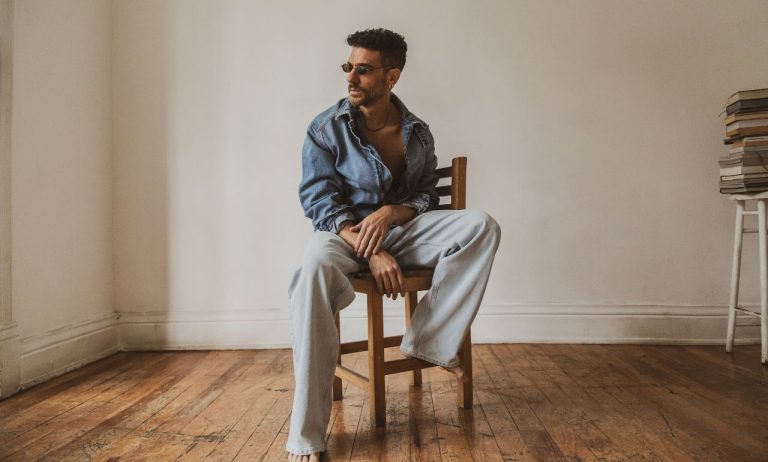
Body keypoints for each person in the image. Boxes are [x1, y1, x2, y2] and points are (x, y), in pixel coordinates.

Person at [286, 28, 501, 462]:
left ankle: (426, 342)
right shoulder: (325, 128)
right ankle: (307, 435)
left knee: (482, 226)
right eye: (348, 67)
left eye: (363, 70)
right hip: (344, 235)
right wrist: (372, 250)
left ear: (392, 76)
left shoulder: (417, 133)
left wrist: (391, 213)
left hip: (402, 232)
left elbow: (426, 195)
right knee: (311, 271)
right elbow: (319, 203)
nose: (351, 77)